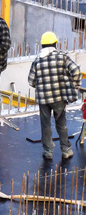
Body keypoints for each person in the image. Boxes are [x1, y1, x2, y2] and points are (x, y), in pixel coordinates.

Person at [28, 31, 81, 160]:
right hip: (59, 98)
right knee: (61, 123)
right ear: (55, 44)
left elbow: (31, 81)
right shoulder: (63, 56)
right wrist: (74, 85)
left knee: (45, 125)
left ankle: (48, 152)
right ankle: (66, 150)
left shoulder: (37, 60)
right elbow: (76, 71)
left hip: (43, 99)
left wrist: (42, 86)